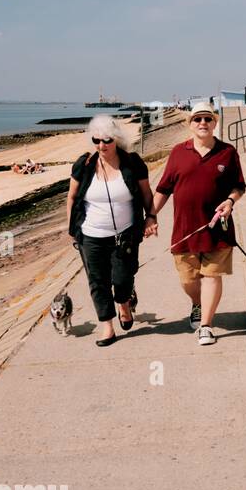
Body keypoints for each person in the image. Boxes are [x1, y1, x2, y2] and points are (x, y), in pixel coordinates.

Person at [151, 100, 246, 347]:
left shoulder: (228, 152)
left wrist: (230, 201)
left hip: (218, 230)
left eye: (207, 119)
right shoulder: (178, 152)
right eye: (197, 119)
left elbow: (239, 186)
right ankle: (197, 303)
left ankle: (206, 325)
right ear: (189, 124)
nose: (202, 123)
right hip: (184, 229)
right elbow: (163, 189)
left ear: (215, 123)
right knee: (188, 280)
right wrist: (150, 217)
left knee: (212, 276)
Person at [66, 115, 156, 347]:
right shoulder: (84, 165)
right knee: (98, 281)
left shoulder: (132, 163)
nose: (101, 146)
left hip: (125, 234)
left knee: (123, 277)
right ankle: (107, 325)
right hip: (91, 235)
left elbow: (146, 194)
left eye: (106, 140)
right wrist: (73, 230)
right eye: (96, 140)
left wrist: (151, 217)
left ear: (116, 139)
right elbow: (72, 197)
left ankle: (124, 302)